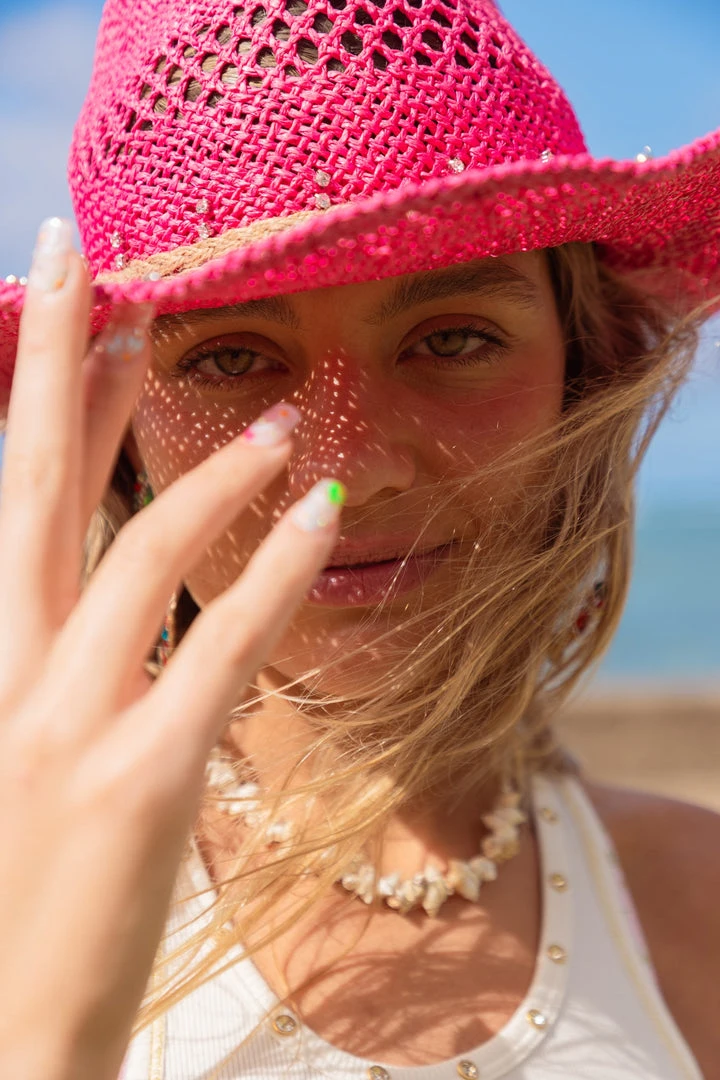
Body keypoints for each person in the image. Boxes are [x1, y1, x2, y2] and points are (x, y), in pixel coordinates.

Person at [0, 0, 718, 1076]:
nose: (349, 469)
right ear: (121, 437)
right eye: (230, 359)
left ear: (584, 376)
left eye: (453, 339)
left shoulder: (695, 902)